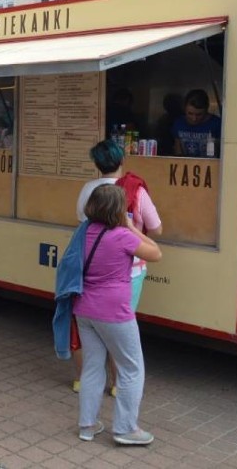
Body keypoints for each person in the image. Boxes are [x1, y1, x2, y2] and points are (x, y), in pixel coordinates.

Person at [72, 140, 162, 393]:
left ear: (97, 164)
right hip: (130, 270)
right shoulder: (135, 190)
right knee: (121, 328)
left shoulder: (88, 189)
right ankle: (117, 385)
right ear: (122, 161)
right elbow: (156, 229)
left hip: (91, 267)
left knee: (91, 329)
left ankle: (86, 382)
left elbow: (82, 224)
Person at [75, 184, 161, 445]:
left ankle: (87, 425)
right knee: (132, 368)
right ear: (119, 211)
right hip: (114, 312)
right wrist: (132, 226)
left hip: (83, 308)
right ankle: (125, 429)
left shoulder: (84, 232)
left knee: (92, 366)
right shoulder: (122, 236)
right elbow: (157, 253)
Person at [171, 89, 221, 158]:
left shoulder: (217, 124)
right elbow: (178, 153)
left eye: (199, 114)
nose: (194, 118)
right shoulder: (179, 124)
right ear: (184, 109)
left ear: (206, 110)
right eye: (190, 113)